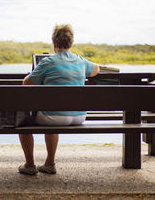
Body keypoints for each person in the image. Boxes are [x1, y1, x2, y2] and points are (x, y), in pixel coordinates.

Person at [18, 24, 100, 175]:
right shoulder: (81, 61)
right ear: (71, 43)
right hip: (79, 117)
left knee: (23, 122)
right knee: (52, 111)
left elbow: (26, 84)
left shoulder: (47, 62)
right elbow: (96, 69)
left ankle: (29, 165)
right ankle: (49, 163)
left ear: (54, 43)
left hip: (54, 118)